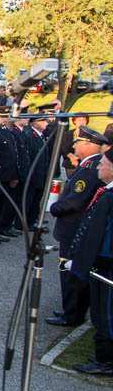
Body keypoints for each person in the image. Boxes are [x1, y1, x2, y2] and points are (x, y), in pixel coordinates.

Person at [47, 126, 109, 327]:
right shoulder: (90, 165)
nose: (74, 146)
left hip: (73, 227)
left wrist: (54, 208)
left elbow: (76, 201)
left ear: (88, 145)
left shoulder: (90, 169)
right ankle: (72, 310)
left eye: (78, 142)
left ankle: (72, 314)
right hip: (76, 226)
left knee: (70, 272)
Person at [68, 149, 113, 375]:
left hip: (106, 266)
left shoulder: (109, 198)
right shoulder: (106, 194)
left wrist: (81, 267)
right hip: (103, 264)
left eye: (102, 164)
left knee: (105, 312)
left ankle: (105, 360)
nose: (98, 168)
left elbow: (96, 235)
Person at [0, 107, 21, 238]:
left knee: (5, 204)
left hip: (8, 174)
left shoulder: (3, 130)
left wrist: (14, 175)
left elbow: (13, 153)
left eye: (6, 116)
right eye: (2, 116)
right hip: (0, 175)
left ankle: (3, 227)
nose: (5, 119)